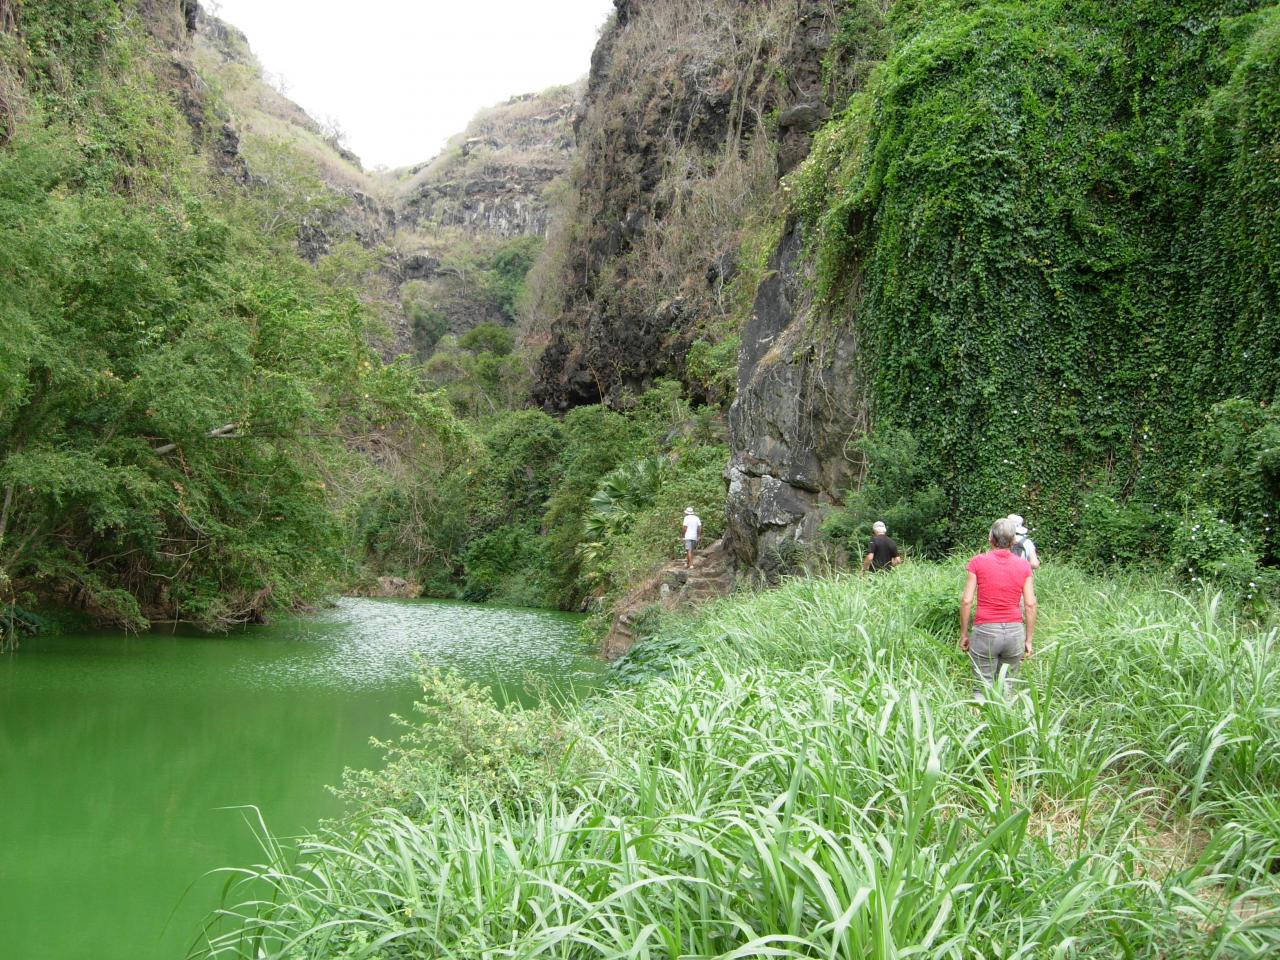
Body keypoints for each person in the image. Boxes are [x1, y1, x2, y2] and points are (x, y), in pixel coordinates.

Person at [960, 517, 1036, 696]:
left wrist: (964, 633)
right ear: (1012, 541)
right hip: (1015, 633)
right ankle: (1004, 721)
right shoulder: (1024, 566)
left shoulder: (977, 562)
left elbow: (966, 601)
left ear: (990, 538)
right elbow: (1030, 604)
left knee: (981, 686)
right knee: (1007, 687)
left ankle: (978, 719)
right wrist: (1028, 640)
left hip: (985, 632)